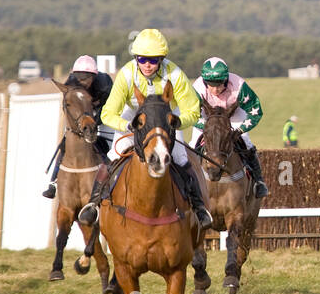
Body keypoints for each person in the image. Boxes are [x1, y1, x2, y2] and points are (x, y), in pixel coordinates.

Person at [76, 29, 213, 228]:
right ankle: (93, 204)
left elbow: (192, 110)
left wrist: (176, 122)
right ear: (136, 58)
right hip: (134, 118)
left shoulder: (174, 74)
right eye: (142, 60)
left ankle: (199, 207)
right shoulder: (126, 74)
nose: (147, 65)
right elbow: (108, 114)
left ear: (162, 59)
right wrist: (128, 125)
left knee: (182, 158)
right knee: (113, 157)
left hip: (166, 120)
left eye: (153, 60)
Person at [191, 56, 269, 198]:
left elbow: (256, 111)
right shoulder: (197, 88)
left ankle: (258, 181)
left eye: (219, 84)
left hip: (233, 115)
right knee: (192, 145)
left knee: (246, 142)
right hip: (206, 117)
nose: (215, 89)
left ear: (226, 79)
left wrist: (239, 131)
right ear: (204, 81)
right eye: (210, 84)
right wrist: (209, 127)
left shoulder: (239, 86)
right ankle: (190, 183)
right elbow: (190, 113)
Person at [42, 55, 114, 199]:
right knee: (66, 143)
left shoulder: (105, 83)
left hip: (104, 113)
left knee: (110, 144)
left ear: (94, 76)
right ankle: (53, 182)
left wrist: (94, 122)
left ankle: (112, 177)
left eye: (86, 77)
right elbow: (69, 107)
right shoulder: (71, 82)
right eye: (79, 76)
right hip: (82, 114)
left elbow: (110, 107)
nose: (82, 81)